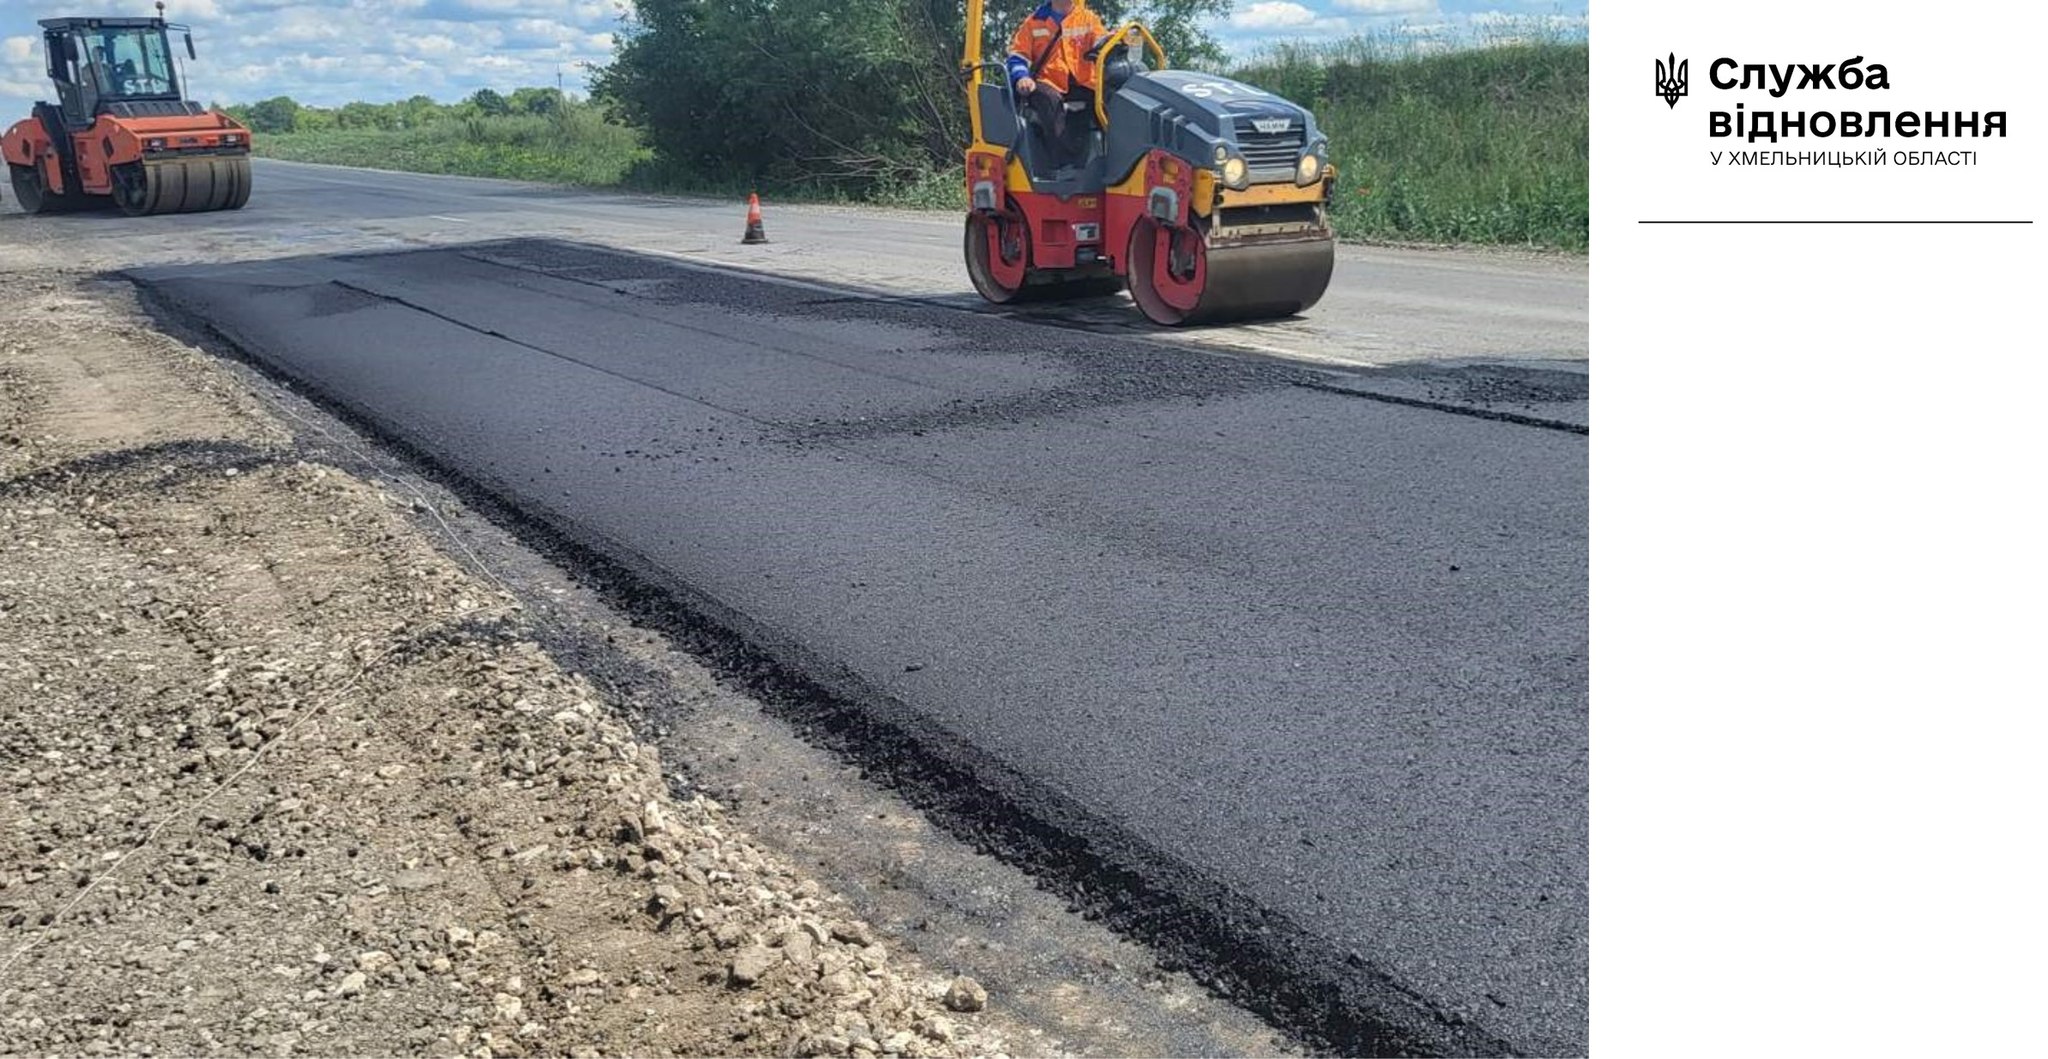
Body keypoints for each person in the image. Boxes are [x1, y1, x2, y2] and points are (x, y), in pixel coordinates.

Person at [1004, 0, 1109, 168]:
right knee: (1049, 100)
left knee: (1111, 97)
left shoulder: (1088, 19)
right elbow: (1018, 56)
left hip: (1083, 83)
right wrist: (1022, 77)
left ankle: (1116, 162)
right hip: (1048, 82)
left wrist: (1116, 40)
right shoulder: (1033, 23)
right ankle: (1065, 166)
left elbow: (1103, 43)